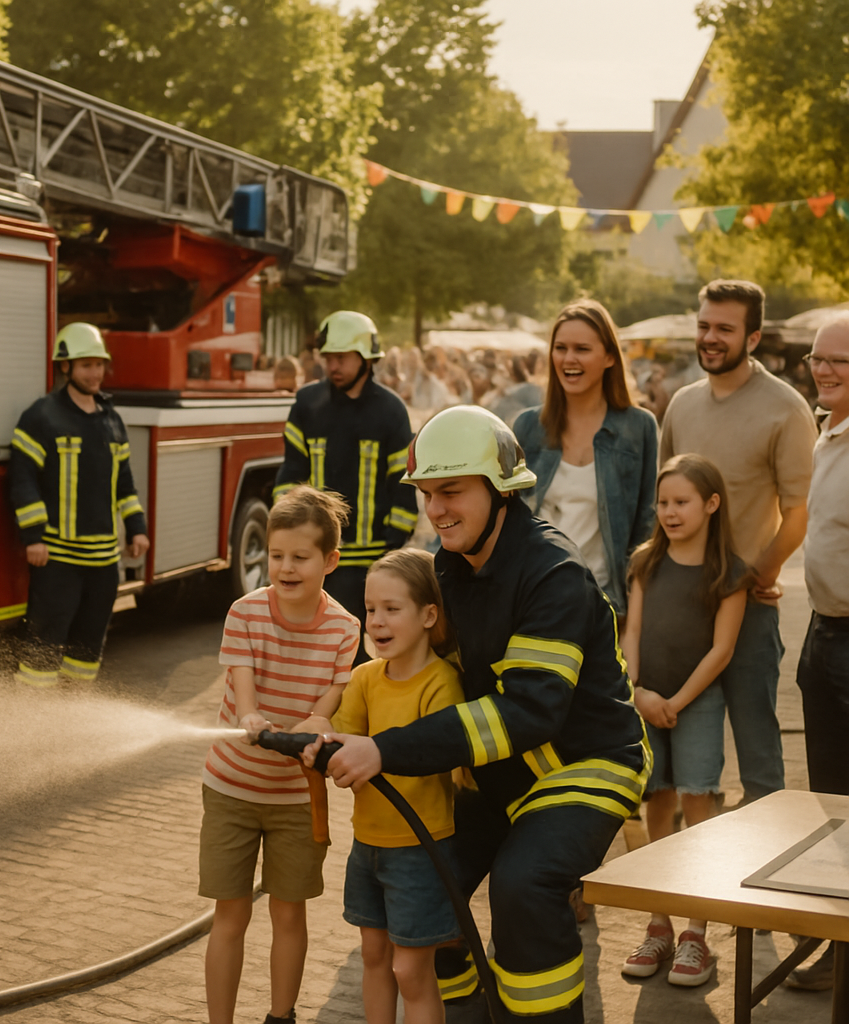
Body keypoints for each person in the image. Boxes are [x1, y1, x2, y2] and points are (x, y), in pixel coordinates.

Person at [318, 406, 650, 1024]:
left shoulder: (554, 575)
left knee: (522, 886)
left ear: (500, 491)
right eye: (426, 494)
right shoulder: (451, 564)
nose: (437, 510)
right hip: (502, 773)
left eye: (452, 491)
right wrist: (331, 718)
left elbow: (527, 711)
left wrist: (387, 750)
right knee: (428, 873)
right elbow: (417, 663)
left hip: (587, 764)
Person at [200, 485, 360, 1024]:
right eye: (276, 556)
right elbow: (243, 684)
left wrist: (320, 717)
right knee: (231, 915)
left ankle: (281, 1016)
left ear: (330, 560)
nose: (285, 568)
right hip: (232, 789)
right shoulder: (244, 613)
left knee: (289, 915)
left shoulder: (345, 627)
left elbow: (333, 697)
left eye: (300, 557)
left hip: (296, 797)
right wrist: (250, 715)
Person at [660, 280, 817, 804]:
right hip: (681, 608)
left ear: (752, 337)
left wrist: (760, 576)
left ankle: (767, 872)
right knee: (684, 761)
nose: (710, 337)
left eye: (724, 329)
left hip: (748, 608)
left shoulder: (786, 409)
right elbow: (662, 504)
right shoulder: (681, 405)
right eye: (703, 326)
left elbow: (799, 514)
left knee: (759, 758)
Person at [305, 548, 464, 1024]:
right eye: (371, 609)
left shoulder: (441, 683)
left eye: (392, 609)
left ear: (428, 614)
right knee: (374, 957)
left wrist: (358, 748)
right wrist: (317, 739)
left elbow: (430, 751)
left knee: (411, 970)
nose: (376, 621)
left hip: (422, 849)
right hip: (367, 846)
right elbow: (343, 739)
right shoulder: (365, 678)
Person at [620, 454, 748, 986]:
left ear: (711, 504)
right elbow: (631, 635)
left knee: (699, 803)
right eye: (663, 503)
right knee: (658, 802)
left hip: (697, 706)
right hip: (647, 702)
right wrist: (639, 692)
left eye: (682, 503)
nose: (669, 512)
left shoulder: (728, 572)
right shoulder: (646, 561)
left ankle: (697, 931)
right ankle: (659, 921)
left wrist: (677, 700)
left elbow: (721, 650)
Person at [8, 322, 149, 687]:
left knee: (88, 648)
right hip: (58, 559)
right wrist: (33, 536)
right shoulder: (41, 416)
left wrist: (137, 528)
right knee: (44, 640)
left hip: (104, 562)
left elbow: (125, 483)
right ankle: (33, 713)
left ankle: (72, 711)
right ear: (66, 367)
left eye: (99, 364)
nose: (96, 372)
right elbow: (22, 478)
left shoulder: (111, 420)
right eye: (87, 365)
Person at [274, 311, 418, 664]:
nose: (333, 365)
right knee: (310, 656)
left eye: (342, 358)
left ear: (366, 359)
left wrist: (390, 544)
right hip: (316, 560)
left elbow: (403, 486)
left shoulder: (391, 411)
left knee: (364, 661)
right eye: (329, 358)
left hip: (371, 564)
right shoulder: (307, 405)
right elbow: (291, 472)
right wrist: (289, 539)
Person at [513, 300, 658, 621]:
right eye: (560, 348)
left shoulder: (639, 427)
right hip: (533, 600)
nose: (569, 358)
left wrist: (633, 616)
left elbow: (647, 525)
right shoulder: (527, 427)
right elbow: (507, 519)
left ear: (609, 357)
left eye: (582, 349)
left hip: (606, 606)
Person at [785, 316, 849, 992]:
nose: (824, 370)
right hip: (823, 634)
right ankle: (837, 947)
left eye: (840, 362)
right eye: (816, 358)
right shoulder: (825, 428)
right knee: (831, 802)